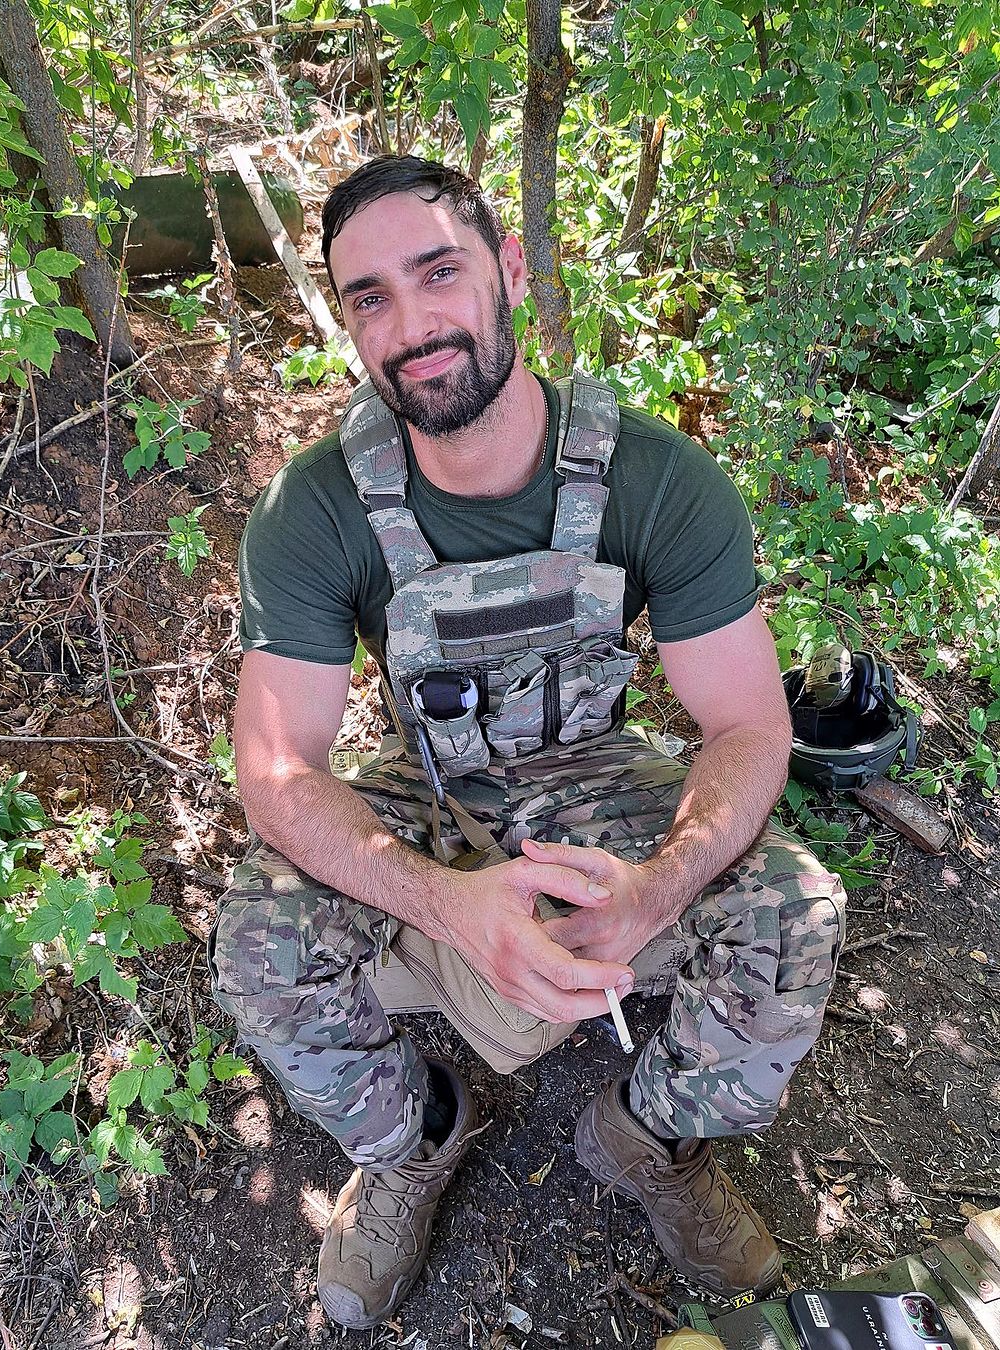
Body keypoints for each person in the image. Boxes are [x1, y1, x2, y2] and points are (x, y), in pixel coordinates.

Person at [209, 155, 846, 1331]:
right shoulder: (315, 509)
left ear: (507, 270)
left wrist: (661, 887)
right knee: (259, 935)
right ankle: (412, 1142)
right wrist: (447, 905)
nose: (411, 325)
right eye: (369, 297)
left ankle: (651, 1137)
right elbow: (278, 771)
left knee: (794, 908)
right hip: (430, 784)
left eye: (437, 273)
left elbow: (749, 725)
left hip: (597, 768)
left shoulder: (657, 480)